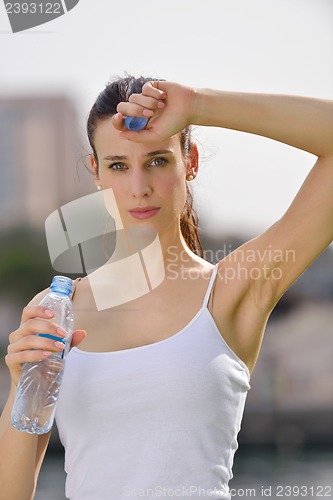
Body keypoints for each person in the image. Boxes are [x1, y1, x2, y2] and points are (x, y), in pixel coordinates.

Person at [0, 74, 332, 500]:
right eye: (118, 165)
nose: (138, 188)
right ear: (96, 172)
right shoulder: (57, 308)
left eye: (157, 160)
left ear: (189, 161)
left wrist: (198, 104)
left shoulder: (231, 290)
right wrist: (19, 387)